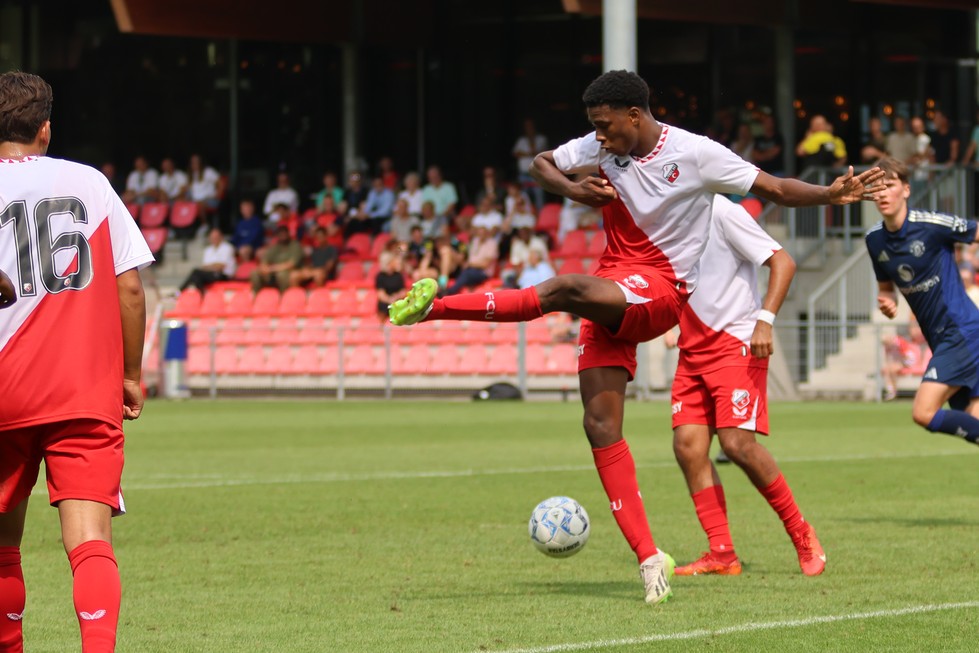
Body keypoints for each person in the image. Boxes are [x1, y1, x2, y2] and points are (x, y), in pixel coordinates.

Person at [389, 70, 883, 605]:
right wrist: (574, 188)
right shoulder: (602, 145)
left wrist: (830, 195)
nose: (597, 139)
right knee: (607, 426)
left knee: (566, 290)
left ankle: (435, 307)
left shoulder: (699, 161)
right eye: (593, 129)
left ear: (635, 115)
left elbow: (776, 189)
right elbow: (542, 164)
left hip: (666, 294)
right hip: (631, 296)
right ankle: (655, 560)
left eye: (604, 127)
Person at [0, 71, 153, 652]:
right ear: (44, 128)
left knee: (3, 547)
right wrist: (131, 375)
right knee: (89, 542)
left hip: (5, 387)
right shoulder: (87, 182)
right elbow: (130, 289)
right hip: (81, 390)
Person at [667, 195, 824, 577]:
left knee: (736, 444)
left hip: (735, 342)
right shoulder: (664, 218)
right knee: (688, 447)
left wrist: (765, 320)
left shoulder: (723, 211)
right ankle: (721, 552)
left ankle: (801, 531)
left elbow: (782, 262)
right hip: (692, 349)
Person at [865, 156, 979, 447]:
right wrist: (887, 301)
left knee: (923, 412)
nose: (882, 193)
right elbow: (886, 288)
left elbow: (974, 230)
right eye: (876, 188)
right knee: (973, 420)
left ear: (905, 189)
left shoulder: (930, 225)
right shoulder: (875, 241)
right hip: (940, 339)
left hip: (962, 332)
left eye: (889, 186)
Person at [179, 227, 236, 292]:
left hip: (224, 275)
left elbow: (220, 267)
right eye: (212, 237)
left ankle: (180, 292)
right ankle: (202, 293)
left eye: (216, 237)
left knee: (195, 273)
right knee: (196, 277)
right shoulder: (208, 250)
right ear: (209, 238)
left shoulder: (227, 248)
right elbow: (205, 267)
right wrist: (214, 265)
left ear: (221, 237)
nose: (214, 239)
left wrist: (211, 266)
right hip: (212, 274)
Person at [250, 225, 304, 292]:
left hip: (290, 271)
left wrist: (272, 269)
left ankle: (284, 296)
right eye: (280, 234)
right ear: (277, 235)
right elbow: (265, 260)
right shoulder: (275, 247)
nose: (283, 235)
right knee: (255, 273)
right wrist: (264, 267)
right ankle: (257, 297)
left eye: (284, 233)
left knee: (281, 274)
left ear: (288, 233)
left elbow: (291, 264)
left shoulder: (295, 245)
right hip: (273, 272)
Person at [513, 118, 548, 211]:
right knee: (523, 197)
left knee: (539, 196)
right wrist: (529, 153)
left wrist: (530, 141)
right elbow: (516, 153)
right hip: (523, 174)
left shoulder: (541, 139)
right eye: (526, 127)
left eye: (530, 126)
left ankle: (540, 218)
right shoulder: (521, 140)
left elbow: (538, 152)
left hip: (536, 173)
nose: (528, 128)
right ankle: (527, 218)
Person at [375, 249, 407, 322]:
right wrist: (389, 300)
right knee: (382, 306)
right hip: (386, 301)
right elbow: (380, 293)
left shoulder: (398, 275)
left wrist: (395, 297)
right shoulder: (380, 276)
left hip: (397, 299)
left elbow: (403, 291)